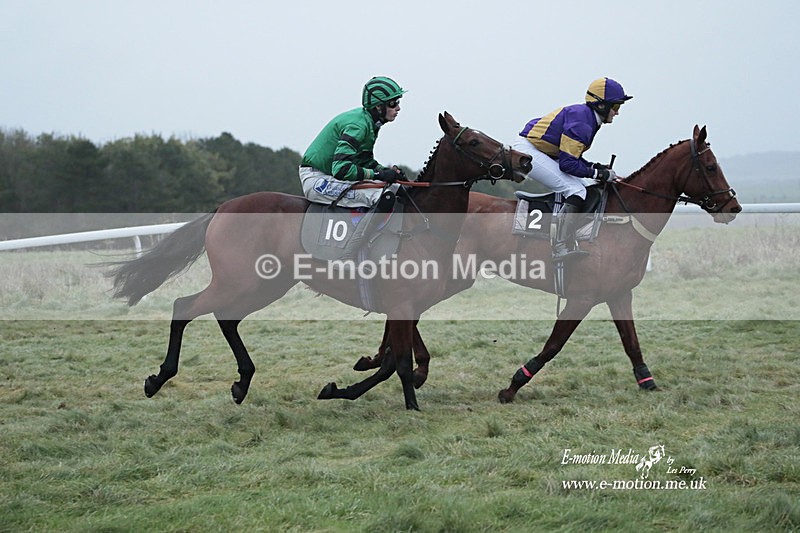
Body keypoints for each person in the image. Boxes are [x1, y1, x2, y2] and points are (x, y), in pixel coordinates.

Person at [512, 77, 633, 260]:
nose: (617, 113)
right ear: (601, 105)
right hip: (529, 152)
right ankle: (559, 245)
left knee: (590, 183)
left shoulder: (588, 118)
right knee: (575, 190)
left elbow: (572, 157)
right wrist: (598, 173)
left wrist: (594, 168)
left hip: (545, 151)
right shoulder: (582, 122)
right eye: (615, 107)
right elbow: (567, 164)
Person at [299, 76, 406, 209]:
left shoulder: (370, 124)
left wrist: (386, 171)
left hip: (331, 176)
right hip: (317, 179)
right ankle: (362, 231)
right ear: (378, 106)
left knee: (396, 188)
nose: (398, 108)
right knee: (380, 197)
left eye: (398, 102)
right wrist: (380, 174)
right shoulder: (359, 126)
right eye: (393, 103)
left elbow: (363, 161)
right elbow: (342, 170)